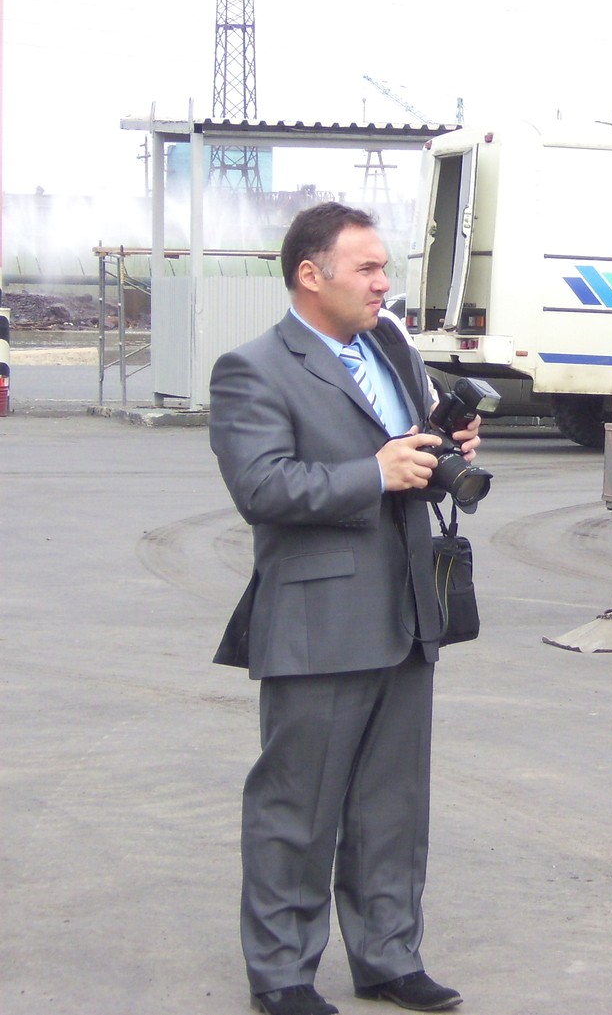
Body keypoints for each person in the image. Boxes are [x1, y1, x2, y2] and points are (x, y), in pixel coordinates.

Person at [209, 202, 479, 1015]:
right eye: (366, 268)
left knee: (392, 804)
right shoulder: (253, 368)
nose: (382, 282)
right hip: (319, 620)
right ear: (310, 274)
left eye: (383, 267)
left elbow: (408, 451)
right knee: (297, 805)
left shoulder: (391, 348)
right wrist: (375, 472)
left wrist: (447, 449)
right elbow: (262, 487)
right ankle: (283, 974)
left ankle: (389, 956)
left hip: (406, 609)